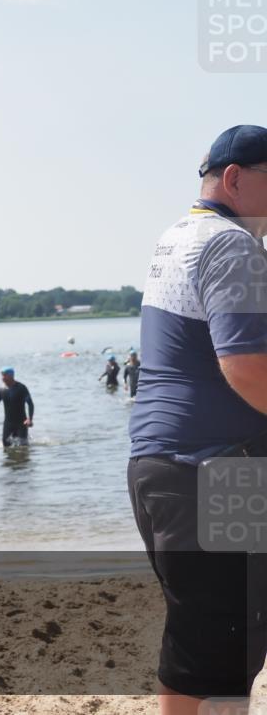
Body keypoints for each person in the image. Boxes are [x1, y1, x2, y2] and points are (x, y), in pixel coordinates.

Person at [128, 125, 267, 709]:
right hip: (212, 468)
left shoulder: (182, 235)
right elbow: (244, 366)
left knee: (214, 642)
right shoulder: (230, 245)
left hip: (169, 466)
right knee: (218, 647)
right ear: (234, 179)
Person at [0, 367, 34, 447]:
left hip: (21, 423)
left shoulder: (21, 388)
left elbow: (30, 404)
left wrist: (30, 419)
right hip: (8, 423)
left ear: (11, 376)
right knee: (6, 447)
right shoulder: (1, 390)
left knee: (23, 448)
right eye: (2, 375)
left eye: (4, 375)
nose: (2, 378)